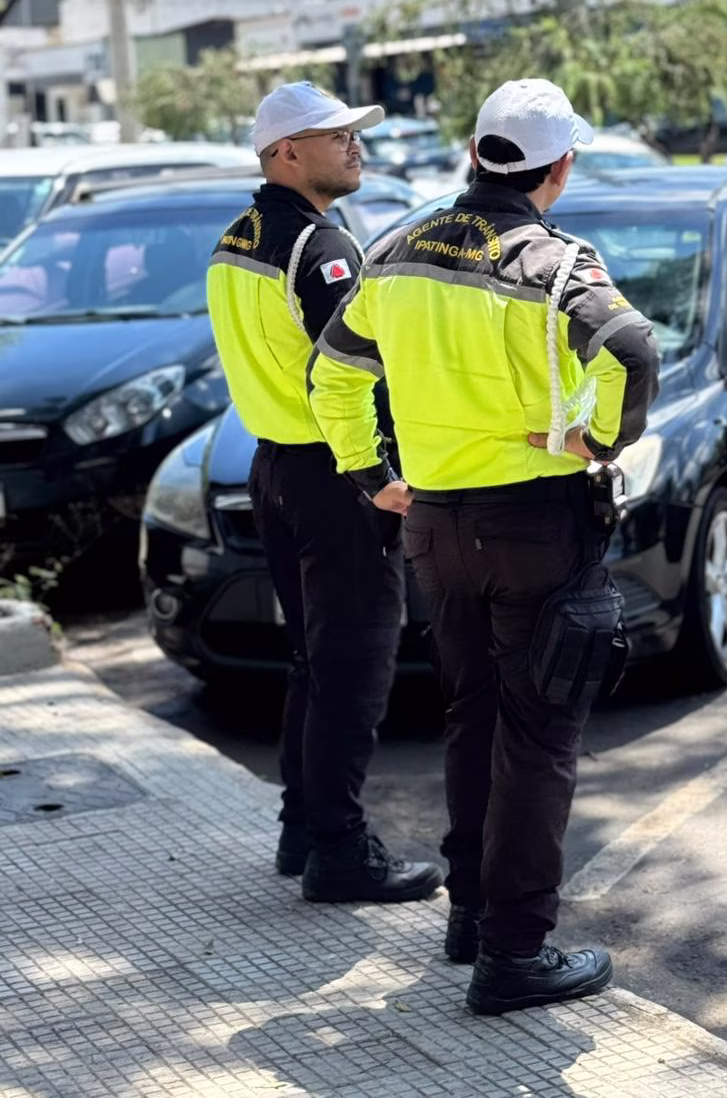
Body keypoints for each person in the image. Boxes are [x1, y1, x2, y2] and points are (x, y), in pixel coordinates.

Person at [307, 78, 660, 1014]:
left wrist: (368, 474)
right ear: (562, 166)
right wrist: (600, 442)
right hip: (536, 525)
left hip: (434, 526)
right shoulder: (552, 261)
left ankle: (471, 917)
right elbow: (632, 347)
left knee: (473, 715)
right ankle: (514, 953)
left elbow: (333, 373)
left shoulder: (399, 247)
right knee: (540, 739)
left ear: (473, 152)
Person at [206, 80, 442, 906]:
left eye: (354, 132)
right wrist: (380, 476)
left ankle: (301, 828)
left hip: (274, 468)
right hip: (337, 475)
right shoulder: (320, 246)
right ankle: (340, 850)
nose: (355, 145)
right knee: (353, 669)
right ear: (284, 153)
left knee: (312, 661)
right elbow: (355, 374)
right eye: (334, 134)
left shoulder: (237, 236)